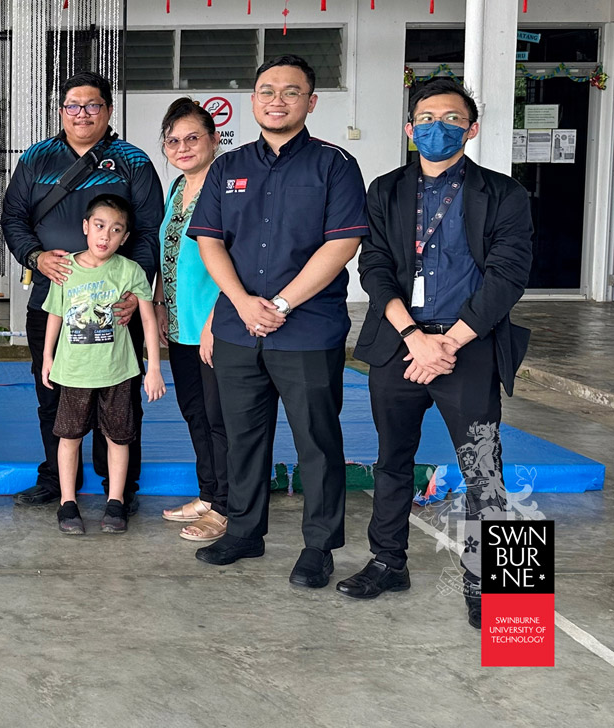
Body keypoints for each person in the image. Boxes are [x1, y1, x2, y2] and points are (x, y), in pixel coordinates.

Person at [339, 77, 533, 629]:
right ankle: (387, 562)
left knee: (483, 468)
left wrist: (448, 342)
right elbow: (372, 267)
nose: (436, 127)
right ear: (408, 129)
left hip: (467, 348)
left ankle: (495, 586)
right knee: (392, 460)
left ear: (471, 130)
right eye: (425, 117)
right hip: (400, 344)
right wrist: (414, 338)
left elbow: (508, 276)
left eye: (451, 118)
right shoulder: (386, 190)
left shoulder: (504, 195)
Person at [187, 55, 367, 590]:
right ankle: (244, 531)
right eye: (267, 90)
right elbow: (210, 242)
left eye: (291, 92)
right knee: (243, 436)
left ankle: (320, 546)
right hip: (238, 328)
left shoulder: (334, 165)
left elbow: (343, 244)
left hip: (308, 328)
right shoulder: (228, 166)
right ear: (253, 100)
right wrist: (242, 303)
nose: (277, 100)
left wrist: (282, 304)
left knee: (317, 438)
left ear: (311, 102)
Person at [0, 71, 163, 509]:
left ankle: (118, 488)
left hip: (118, 308)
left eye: (93, 105)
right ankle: (56, 479)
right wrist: (35, 256)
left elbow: (150, 232)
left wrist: (135, 291)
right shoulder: (37, 158)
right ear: (60, 111)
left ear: (108, 111)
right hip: (54, 302)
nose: (82, 114)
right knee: (51, 392)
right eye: (73, 105)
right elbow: (12, 218)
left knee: (121, 399)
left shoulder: (134, 161)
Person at [42, 195, 165, 535]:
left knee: (118, 437)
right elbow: (55, 312)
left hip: (118, 372)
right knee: (69, 436)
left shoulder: (129, 270)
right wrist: (47, 356)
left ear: (125, 237)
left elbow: (148, 320)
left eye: (115, 230)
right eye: (99, 226)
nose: (105, 236)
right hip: (74, 372)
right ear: (85, 227)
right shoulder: (66, 269)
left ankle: (115, 501)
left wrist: (153, 367)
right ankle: (68, 502)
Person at [155, 99, 230, 544]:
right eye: (172, 140)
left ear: (214, 139)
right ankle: (208, 492)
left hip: (214, 326)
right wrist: (163, 304)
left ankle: (225, 508)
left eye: (192, 137)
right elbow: (170, 256)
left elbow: (237, 261)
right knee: (195, 413)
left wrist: (215, 322)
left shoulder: (225, 190)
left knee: (221, 418)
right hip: (181, 326)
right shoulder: (175, 189)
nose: (182, 147)